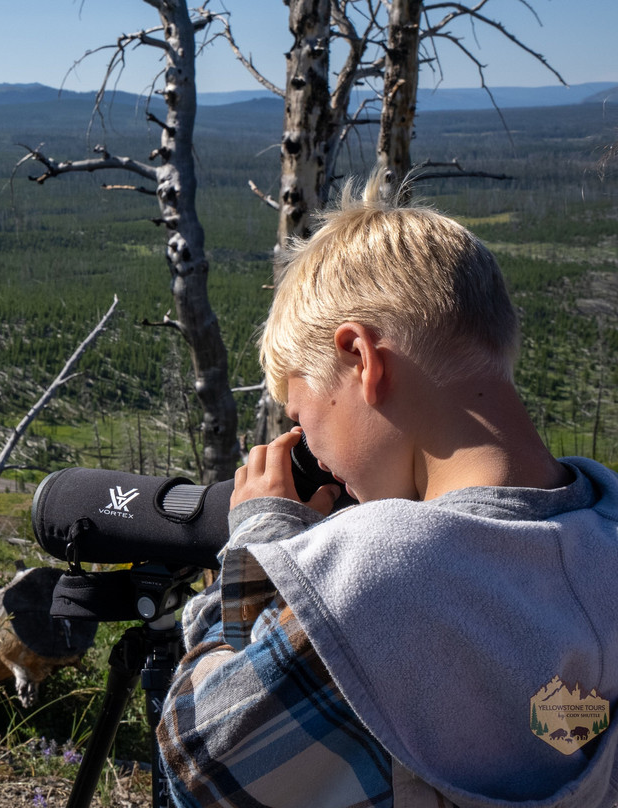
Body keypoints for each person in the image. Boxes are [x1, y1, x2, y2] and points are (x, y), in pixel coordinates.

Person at [156, 170, 618, 808]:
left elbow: (203, 763)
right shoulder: (606, 535)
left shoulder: (377, 571)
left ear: (361, 359)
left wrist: (260, 545)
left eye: (302, 419)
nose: (310, 451)